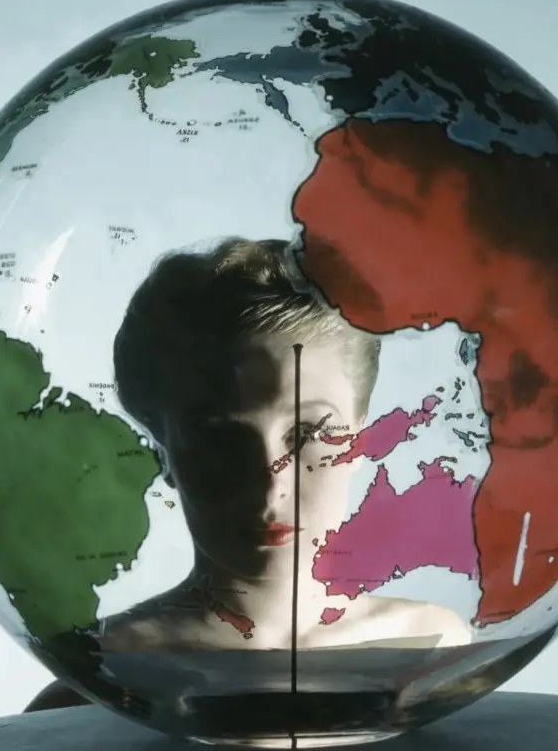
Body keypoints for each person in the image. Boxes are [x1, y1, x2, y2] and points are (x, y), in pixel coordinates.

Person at [26, 237, 471, 713]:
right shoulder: (100, 681)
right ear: (163, 452)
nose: (269, 482)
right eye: (220, 438)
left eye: (308, 434)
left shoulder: (436, 651)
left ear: (361, 438)